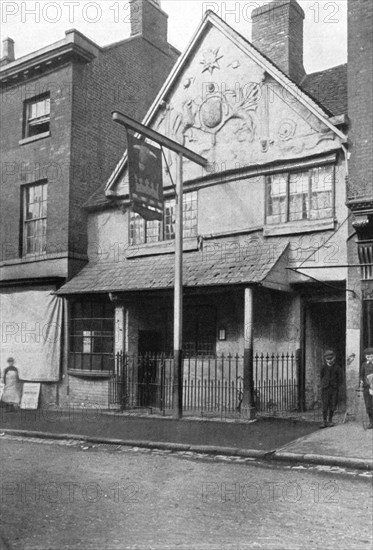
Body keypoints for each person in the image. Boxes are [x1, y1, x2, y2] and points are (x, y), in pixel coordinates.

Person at [320, 349, 341, 429]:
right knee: (325, 405)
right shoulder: (323, 367)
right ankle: (324, 421)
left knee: (332, 404)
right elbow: (321, 377)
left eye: (331, 359)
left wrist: (336, 386)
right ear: (325, 359)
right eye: (327, 359)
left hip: (334, 389)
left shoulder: (337, 368)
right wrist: (323, 385)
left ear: (334, 358)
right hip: (325, 389)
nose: (329, 360)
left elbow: (340, 378)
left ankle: (330, 420)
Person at [360, 347, 373, 429]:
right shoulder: (364, 365)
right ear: (365, 357)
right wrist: (361, 381)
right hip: (367, 387)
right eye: (368, 357)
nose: (370, 358)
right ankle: (371, 421)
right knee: (368, 405)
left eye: (372, 356)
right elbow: (361, 375)